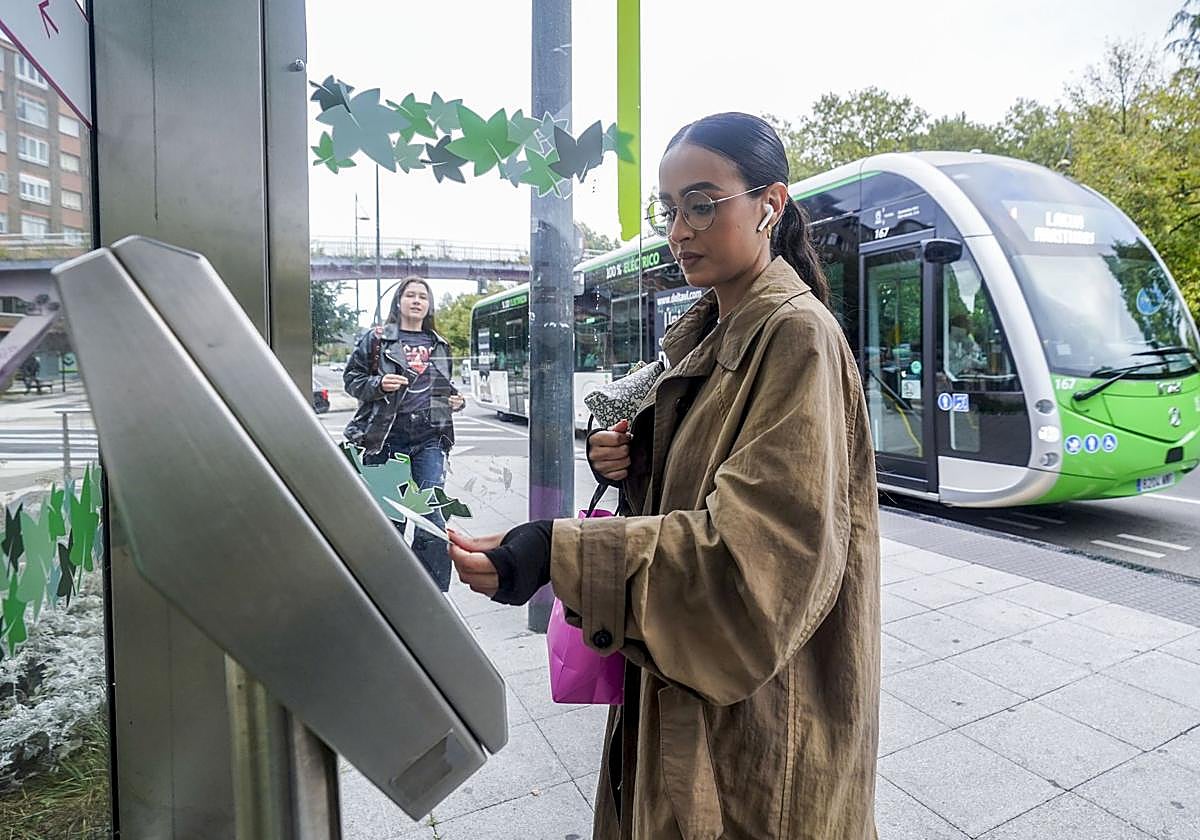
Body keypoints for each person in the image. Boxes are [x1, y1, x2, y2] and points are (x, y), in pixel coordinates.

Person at [449, 113, 881, 839]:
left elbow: (755, 564)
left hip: (761, 728)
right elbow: (707, 483)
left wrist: (553, 552)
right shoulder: (711, 330)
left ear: (769, 205)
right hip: (699, 704)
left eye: (703, 203)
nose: (679, 229)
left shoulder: (796, 337)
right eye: (670, 209)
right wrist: (631, 462)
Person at [344, 276, 465, 591]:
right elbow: (352, 379)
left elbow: (442, 389)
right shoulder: (378, 339)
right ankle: (386, 587)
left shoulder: (439, 344)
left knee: (432, 516)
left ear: (428, 305)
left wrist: (456, 401)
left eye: (422, 296)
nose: (416, 300)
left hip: (429, 438)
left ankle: (431, 591)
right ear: (398, 302)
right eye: (410, 295)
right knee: (391, 519)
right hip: (386, 438)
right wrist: (378, 384)